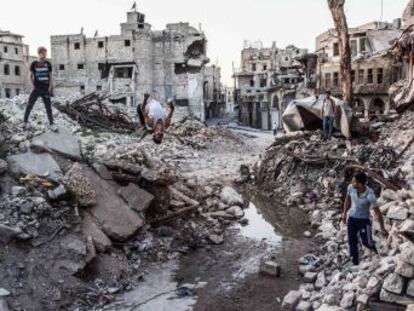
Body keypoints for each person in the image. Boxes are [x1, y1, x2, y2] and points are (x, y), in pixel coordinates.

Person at [342, 172, 388, 266]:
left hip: (364, 221)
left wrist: (382, 228)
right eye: (353, 181)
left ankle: (378, 250)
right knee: (352, 241)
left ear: (361, 183)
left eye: (354, 182)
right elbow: (347, 199)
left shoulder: (370, 195)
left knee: (367, 242)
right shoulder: (350, 188)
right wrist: (344, 213)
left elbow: (378, 213)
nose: (352, 183)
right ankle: (355, 262)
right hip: (352, 219)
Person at [24, 47, 57, 131]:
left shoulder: (48, 64)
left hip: (46, 89)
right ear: (39, 54)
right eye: (44, 54)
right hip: (37, 88)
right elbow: (30, 76)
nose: (45, 56)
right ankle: (25, 121)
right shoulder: (34, 64)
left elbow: (50, 76)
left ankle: (51, 124)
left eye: (46, 54)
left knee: (48, 107)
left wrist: (50, 86)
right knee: (30, 104)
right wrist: (32, 85)